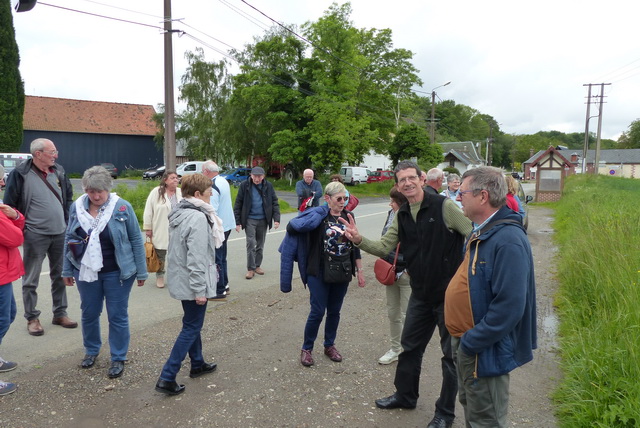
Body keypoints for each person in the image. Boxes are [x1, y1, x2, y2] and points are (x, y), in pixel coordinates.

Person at [340, 160, 473, 428]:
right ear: (398, 185)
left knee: (450, 357)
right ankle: (405, 395)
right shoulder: (401, 215)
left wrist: (467, 273)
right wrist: (358, 240)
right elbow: (385, 247)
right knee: (409, 347)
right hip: (421, 295)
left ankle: (445, 413)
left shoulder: (444, 207)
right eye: (402, 180)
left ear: (422, 179)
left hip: (450, 296)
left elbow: (473, 233)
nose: (408, 183)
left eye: (412, 178)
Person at [445, 166, 537, 427]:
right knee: (473, 409)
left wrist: (472, 341)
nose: (458, 197)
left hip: (484, 349)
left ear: (483, 196)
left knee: (486, 418)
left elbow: (510, 306)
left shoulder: (507, 239)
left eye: (462, 193)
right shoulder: (482, 229)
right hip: (469, 343)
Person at [62, 166, 147, 378]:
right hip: (86, 271)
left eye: (100, 191)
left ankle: (118, 356)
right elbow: (68, 239)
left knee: (117, 315)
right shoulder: (77, 208)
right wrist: (66, 270)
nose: (96, 196)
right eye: (92, 191)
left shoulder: (122, 208)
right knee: (89, 313)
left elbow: (136, 239)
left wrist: (142, 272)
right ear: (85, 190)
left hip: (117, 272)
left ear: (108, 188)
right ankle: (91, 351)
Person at [279, 181, 365, 367]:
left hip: (342, 271)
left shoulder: (349, 216)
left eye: (345, 198)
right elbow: (295, 227)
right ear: (327, 199)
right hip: (318, 271)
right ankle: (307, 348)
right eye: (339, 199)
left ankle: (329, 345)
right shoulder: (318, 217)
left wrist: (360, 270)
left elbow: (354, 246)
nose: (343, 202)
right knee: (317, 311)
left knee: (334, 311)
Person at [155, 174, 222, 396]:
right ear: (197, 195)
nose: (211, 194)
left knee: (192, 322)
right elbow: (196, 258)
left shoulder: (181, 212)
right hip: (192, 282)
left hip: (182, 279)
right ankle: (167, 376)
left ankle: (198, 363)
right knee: (191, 326)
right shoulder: (198, 218)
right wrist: (200, 289)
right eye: (208, 191)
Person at [3, 138, 77, 336]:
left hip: (60, 232)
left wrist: (68, 220)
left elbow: (68, 197)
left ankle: (60, 313)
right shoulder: (20, 173)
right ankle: (32, 317)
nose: (56, 155)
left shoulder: (59, 171)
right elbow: (10, 204)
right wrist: (20, 229)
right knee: (31, 279)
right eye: (52, 152)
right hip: (35, 234)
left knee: (61, 275)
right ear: (38, 154)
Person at [377, 186, 411, 365]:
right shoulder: (391, 214)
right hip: (391, 269)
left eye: (393, 201)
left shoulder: (412, 216)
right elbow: (384, 240)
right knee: (393, 313)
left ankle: (408, 350)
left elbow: (421, 245)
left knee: (408, 314)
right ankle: (395, 348)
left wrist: (410, 268)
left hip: (406, 272)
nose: (390, 204)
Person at [0, 165, 24, 396]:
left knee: (9, 314)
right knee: (1, 319)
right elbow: (15, 237)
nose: (2, 183)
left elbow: (16, 226)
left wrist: (15, 215)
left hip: (4, 273)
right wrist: (14, 222)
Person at [234, 166, 280, 280]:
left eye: (259, 176)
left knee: (260, 243)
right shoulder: (245, 185)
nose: (257, 179)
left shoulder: (268, 186)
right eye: (255, 176)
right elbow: (238, 203)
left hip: (263, 219)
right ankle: (250, 268)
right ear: (251, 175)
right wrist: (237, 221)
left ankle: (257, 266)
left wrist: (277, 219)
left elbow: (274, 202)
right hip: (250, 219)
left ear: (263, 176)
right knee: (251, 242)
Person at [202, 161, 236, 299]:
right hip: (227, 225)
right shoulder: (223, 180)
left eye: (202, 171)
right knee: (222, 257)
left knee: (216, 258)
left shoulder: (212, 185)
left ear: (206, 172)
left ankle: (219, 289)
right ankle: (225, 284)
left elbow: (212, 209)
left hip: (218, 227)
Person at [143, 170, 182, 288]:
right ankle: (160, 276)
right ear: (165, 180)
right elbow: (148, 210)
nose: (175, 180)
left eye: (176, 178)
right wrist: (148, 227)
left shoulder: (180, 192)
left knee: (177, 254)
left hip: (178, 228)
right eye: (172, 178)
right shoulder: (157, 192)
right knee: (160, 254)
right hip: (161, 227)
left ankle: (176, 277)